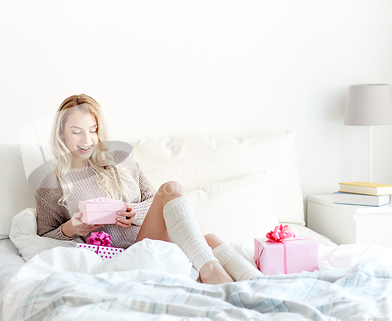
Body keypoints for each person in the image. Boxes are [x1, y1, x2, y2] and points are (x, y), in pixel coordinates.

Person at [35, 94, 261, 284]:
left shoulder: (122, 163)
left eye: (93, 130)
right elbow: (43, 237)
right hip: (118, 257)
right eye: (77, 132)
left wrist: (133, 212)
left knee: (206, 234)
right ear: (61, 133)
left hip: (148, 241)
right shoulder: (52, 183)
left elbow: (155, 201)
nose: (87, 139)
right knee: (195, 225)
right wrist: (70, 228)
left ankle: (256, 282)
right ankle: (212, 273)